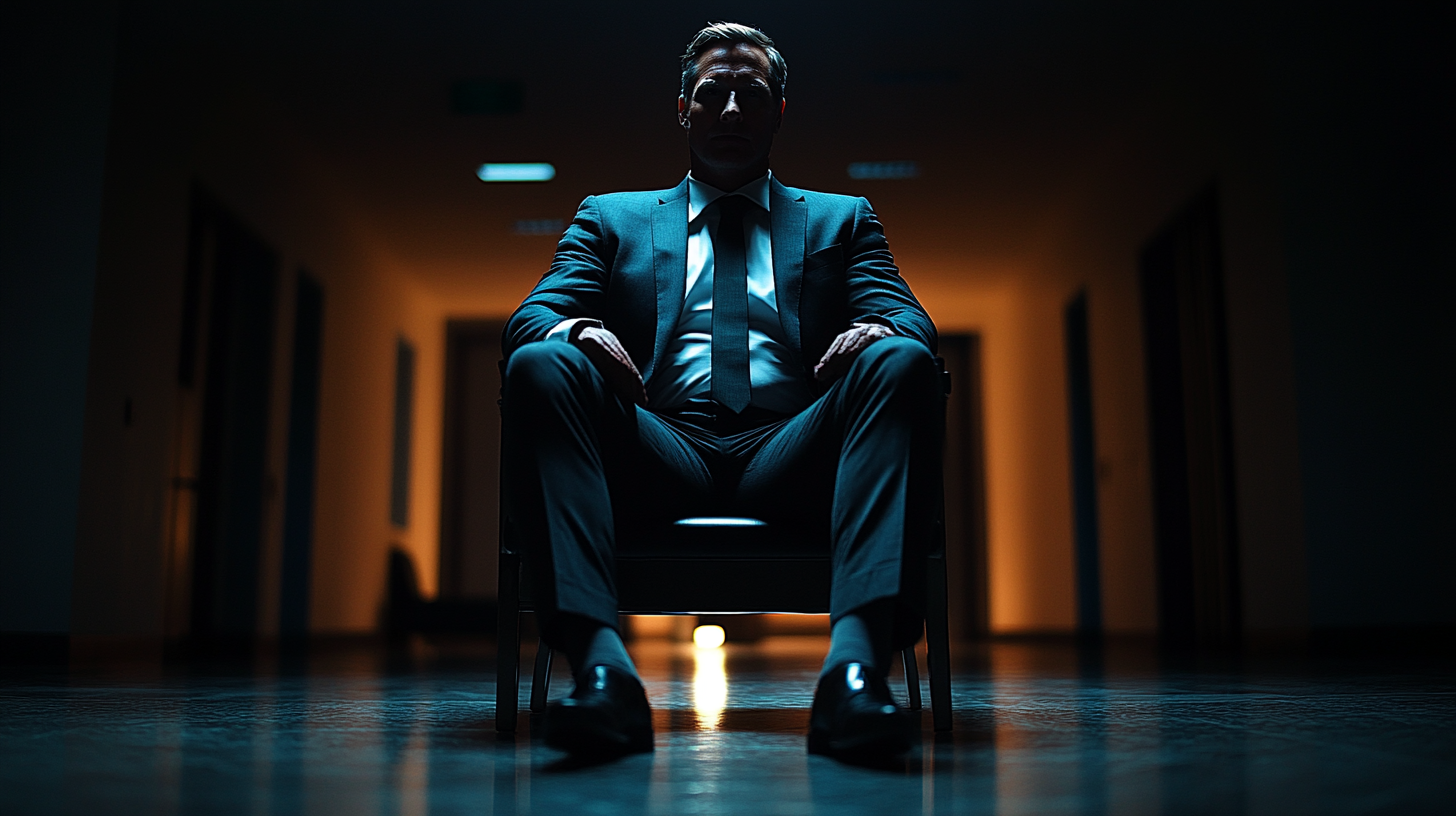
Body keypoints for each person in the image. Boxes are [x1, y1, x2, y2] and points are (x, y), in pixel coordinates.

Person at [502, 21, 939, 760]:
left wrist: (881, 332)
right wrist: (575, 330)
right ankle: (603, 673)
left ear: (779, 112)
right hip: (659, 445)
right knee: (541, 362)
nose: (732, 111)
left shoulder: (843, 218)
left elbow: (909, 319)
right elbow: (531, 317)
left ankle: (856, 672)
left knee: (900, 359)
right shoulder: (609, 217)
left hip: (791, 449)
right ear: (683, 108)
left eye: (751, 95)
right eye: (713, 95)